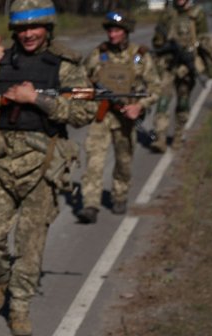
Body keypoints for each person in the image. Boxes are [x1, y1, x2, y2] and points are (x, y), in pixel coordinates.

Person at [0, 0, 95, 336]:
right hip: (1, 163)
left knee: (30, 244)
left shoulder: (65, 65)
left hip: (44, 167)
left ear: (48, 28)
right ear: (14, 30)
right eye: (22, 28)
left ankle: (19, 306)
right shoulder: (4, 59)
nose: (29, 34)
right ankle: (2, 280)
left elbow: (84, 113)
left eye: (35, 27)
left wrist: (37, 100)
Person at [77, 11, 160, 223]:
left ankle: (120, 195)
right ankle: (90, 204)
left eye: (117, 30)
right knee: (94, 161)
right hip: (101, 117)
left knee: (124, 161)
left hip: (126, 118)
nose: (112, 35)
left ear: (126, 32)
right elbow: (81, 80)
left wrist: (139, 106)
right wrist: (90, 93)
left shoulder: (139, 56)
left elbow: (155, 88)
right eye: (109, 30)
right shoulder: (99, 54)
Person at [150, 0, 209, 152]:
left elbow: (204, 39)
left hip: (186, 67)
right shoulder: (167, 14)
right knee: (163, 100)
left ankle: (178, 136)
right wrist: (164, 45)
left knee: (183, 102)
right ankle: (160, 138)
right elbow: (157, 41)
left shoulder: (197, 14)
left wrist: (199, 62)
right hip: (168, 65)